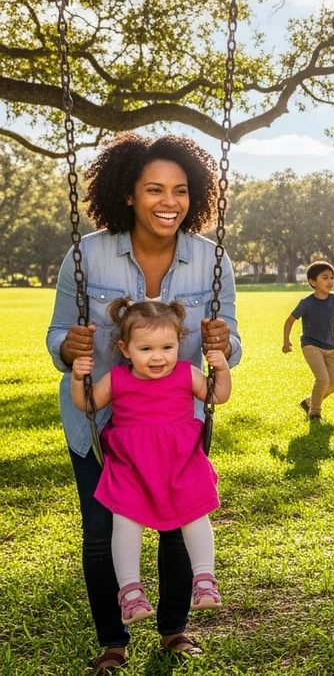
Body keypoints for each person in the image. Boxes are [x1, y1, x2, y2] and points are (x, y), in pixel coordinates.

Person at [46, 132, 241, 669]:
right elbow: (57, 334)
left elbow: (233, 343)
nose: (169, 202)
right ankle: (114, 640)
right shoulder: (86, 254)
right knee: (102, 529)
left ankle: (174, 629)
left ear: (194, 195)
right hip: (101, 420)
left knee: (180, 524)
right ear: (129, 194)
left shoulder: (211, 260)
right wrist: (70, 346)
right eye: (154, 189)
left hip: (177, 421)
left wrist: (224, 346)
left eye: (180, 190)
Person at [71, 300, 231, 625]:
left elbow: (218, 396)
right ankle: (130, 592)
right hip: (131, 466)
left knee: (194, 515)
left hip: (180, 462)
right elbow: (88, 404)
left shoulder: (187, 373)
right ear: (125, 349)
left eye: (167, 347)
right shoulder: (117, 379)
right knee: (126, 522)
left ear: (178, 346)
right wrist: (78, 378)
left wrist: (222, 369)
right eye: (146, 348)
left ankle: (204, 580)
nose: (158, 357)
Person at [283, 261, 334, 419]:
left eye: (332, 277)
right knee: (323, 379)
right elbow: (290, 320)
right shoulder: (306, 303)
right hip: (311, 346)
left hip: (330, 348)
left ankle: (309, 402)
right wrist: (286, 341)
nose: (330, 281)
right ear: (312, 282)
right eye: (325, 277)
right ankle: (315, 413)